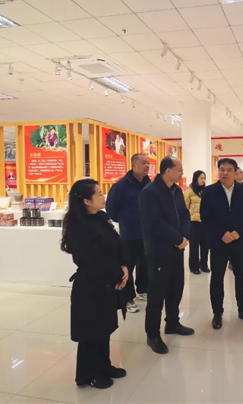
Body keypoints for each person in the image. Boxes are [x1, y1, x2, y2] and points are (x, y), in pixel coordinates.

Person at [60, 179, 129, 389]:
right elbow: (91, 259)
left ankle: (104, 365)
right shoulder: (78, 226)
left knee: (104, 327)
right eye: (98, 194)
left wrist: (124, 266)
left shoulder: (101, 217)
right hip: (90, 285)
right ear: (86, 201)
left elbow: (117, 244)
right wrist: (117, 273)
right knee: (91, 330)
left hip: (107, 282)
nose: (103, 196)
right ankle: (88, 373)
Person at [140, 156, 193, 354]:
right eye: (180, 169)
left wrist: (184, 236)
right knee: (157, 294)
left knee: (175, 288)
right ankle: (152, 334)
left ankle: (172, 322)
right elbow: (154, 223)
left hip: (177, 249)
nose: (182, 173)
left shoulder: (177, 191)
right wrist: (177, 239)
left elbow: (185, 215)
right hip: (159, 251)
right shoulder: (150, 193)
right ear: (168, 171)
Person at [201, 158, 243, 330]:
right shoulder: (209, 192)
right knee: (217, 278)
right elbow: (205, 216)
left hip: (239, 242)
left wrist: (238, 232)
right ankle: (217, 313)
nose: (225, 173)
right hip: (218, 242)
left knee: (241, 276)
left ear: (235, 172)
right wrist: (221, 234)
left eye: (229, 170)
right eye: (222, 169)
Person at [106, 154, 151, 314]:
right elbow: (111, 208)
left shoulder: (149, 184)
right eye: (143, 163)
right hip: (128, 234)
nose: (147, 166)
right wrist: (124, 220)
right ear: (134, 165)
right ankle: (128, 297)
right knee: (127, 266)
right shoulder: (121, 185)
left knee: (145, 264)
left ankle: (143, 290)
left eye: (148, 163)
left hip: (146, 233)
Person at [184, 170, 210, 275]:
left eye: (204, 178)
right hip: (193, 222)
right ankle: (194, 266)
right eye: (201, 178)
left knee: (205, 245)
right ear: (196, 179)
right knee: (194, 246)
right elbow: (185, 207)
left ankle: (204, 265)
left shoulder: (206, 191)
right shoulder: (189, 192)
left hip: (205, 222)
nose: (203, 180)